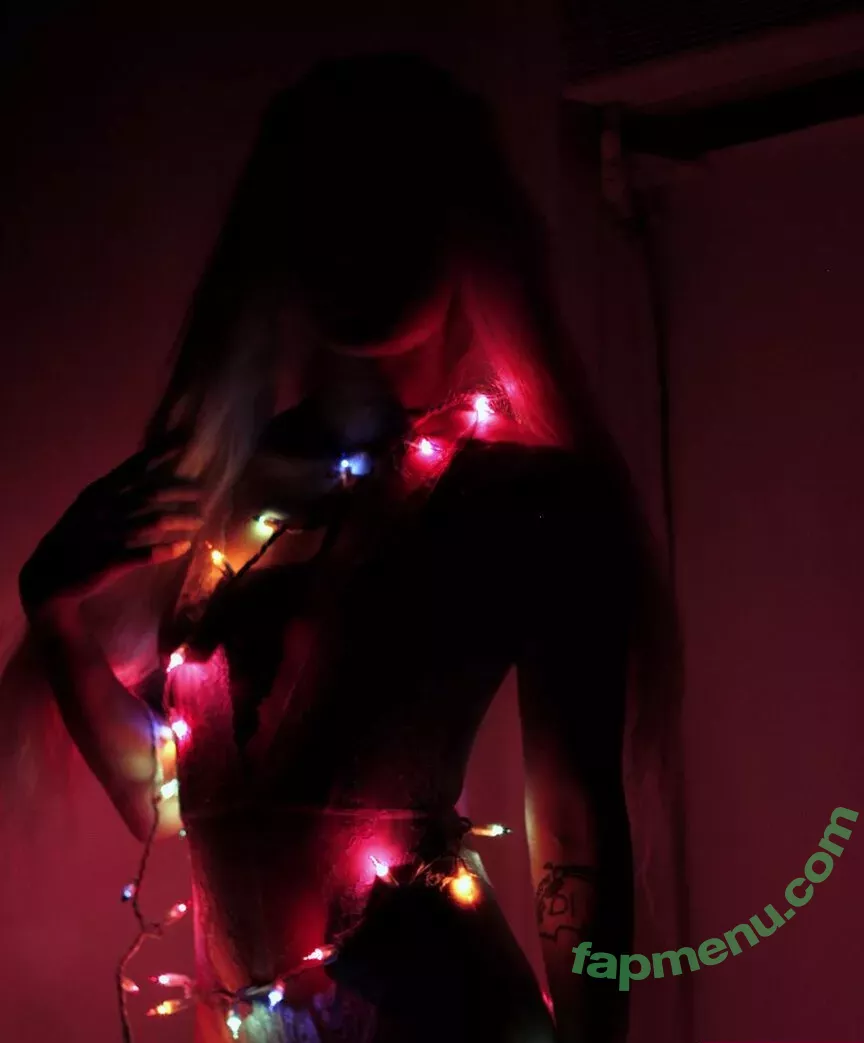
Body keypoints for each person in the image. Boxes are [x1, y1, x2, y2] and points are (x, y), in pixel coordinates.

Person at [5, 54, 683, 1043]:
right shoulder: (224, 494)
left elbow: (576, 829)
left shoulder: (528, 495)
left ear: (462, 225)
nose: (359, 238)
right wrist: (57, 616)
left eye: (396, 197)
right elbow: (174, 800)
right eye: (326, 201)